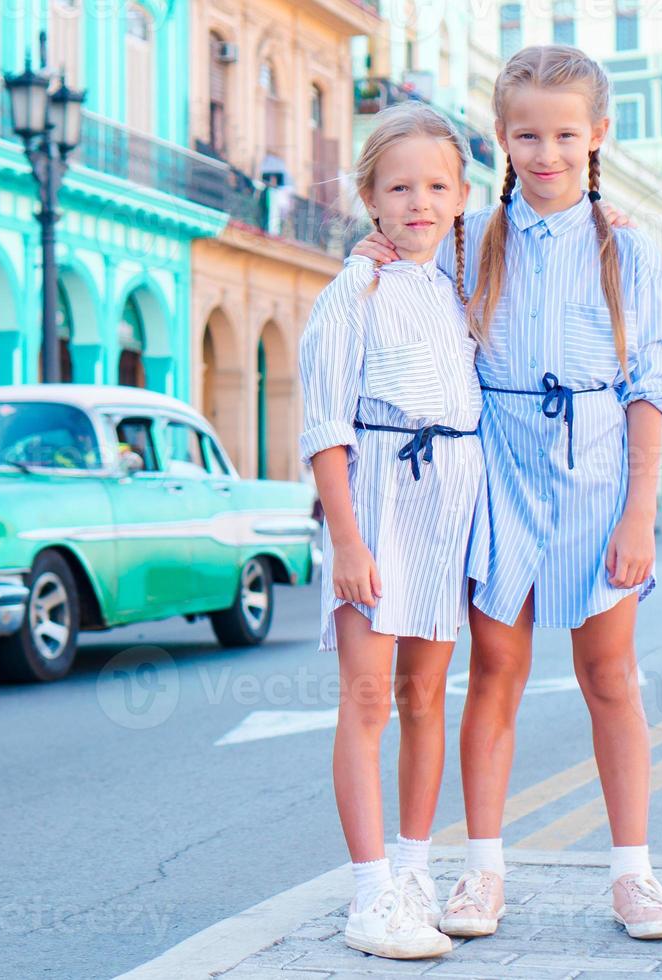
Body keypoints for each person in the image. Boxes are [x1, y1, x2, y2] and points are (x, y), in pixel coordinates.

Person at [354, 45, 662, 941]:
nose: (547, 152)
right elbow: (411, 286)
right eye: (527, 134)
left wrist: (639, 512)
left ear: (596, 136)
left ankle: (635, 876)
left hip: (597, 473)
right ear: (500, 138)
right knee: (495, 670)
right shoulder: (471, 240)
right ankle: (482, 874)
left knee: (609, 675)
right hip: (498, 471)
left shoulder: (627, 246)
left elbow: (652, 385)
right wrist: (379, 248)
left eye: (565, 134)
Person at [299, 101, 488, 961]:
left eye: (437, 186)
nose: (420, 201)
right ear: (370, 198)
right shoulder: (354, 291)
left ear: (461, 196)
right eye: (400, 186)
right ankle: (371, 892)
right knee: (369, 700)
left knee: (425, 699)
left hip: (446, 505)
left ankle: (415, 870)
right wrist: (347, 540)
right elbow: (324, 426)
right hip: (376, 496)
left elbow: (549, 228)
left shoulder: (456, 287)